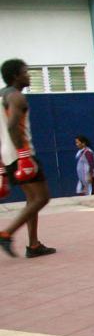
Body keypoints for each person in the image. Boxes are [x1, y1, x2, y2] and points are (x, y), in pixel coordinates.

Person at [0, 59, 55, 258]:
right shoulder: (16, 97)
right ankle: (6, 234)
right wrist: (24, 157)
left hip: (8, 155)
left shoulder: (1, 96)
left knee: (32, 199)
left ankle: (33, 245)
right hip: (21, 154)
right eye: (26, 72)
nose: (29, 75)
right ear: (15, 76)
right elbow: (13, 126)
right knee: (42, 197)